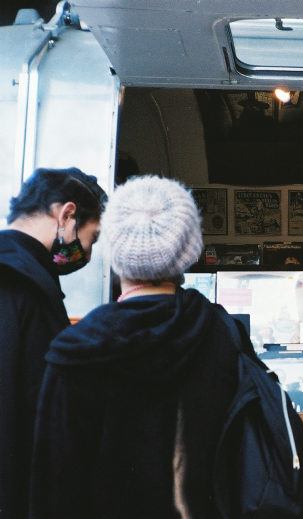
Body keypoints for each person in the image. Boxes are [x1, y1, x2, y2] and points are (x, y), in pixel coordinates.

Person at [28, 175, 242, 518]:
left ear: (114, 249)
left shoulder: (75, 349)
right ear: (188, 250)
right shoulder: (223, 332)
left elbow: (55, 488)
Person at [0, 167, 106, 518]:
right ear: (67, 216)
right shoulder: (18, 282)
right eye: (92, 238)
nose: (86, 252)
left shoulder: (20, 271)